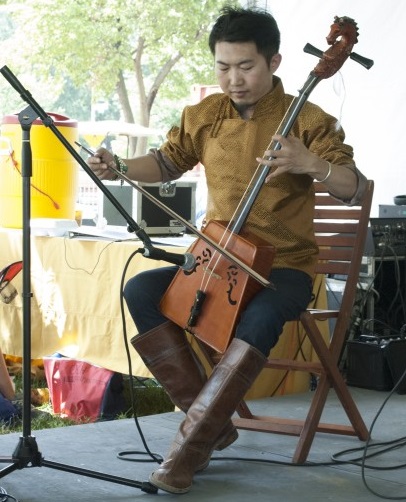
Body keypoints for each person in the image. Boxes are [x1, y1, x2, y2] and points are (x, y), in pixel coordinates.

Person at [88, 6, 367, 494]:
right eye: (223, 67)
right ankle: (214, 423)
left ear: (275, 61)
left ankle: (189, 448)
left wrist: (310, 163)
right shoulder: (204, 114)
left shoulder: (310, 120)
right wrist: (122, 168)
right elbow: (167, 161)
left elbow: (354, 187)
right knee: (141, 291)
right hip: (218, 258)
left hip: (285, 267)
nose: (234, 79)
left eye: (246, 66)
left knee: (260, 317)